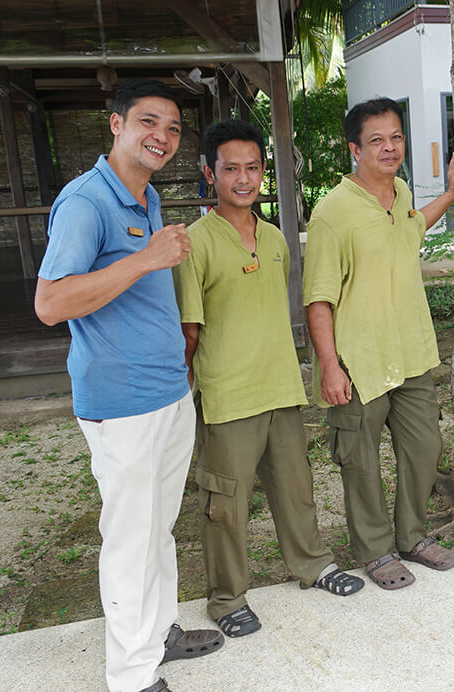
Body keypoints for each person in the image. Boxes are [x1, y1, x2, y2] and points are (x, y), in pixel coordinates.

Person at [34, 79, 222, 692]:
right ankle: (134, 677)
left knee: (156, 528)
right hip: (122, 403)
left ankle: (158, 632)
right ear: (115, 125)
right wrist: (145, 259)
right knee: (128, 539)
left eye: (171, 128)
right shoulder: (86, 202)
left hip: (167, 391)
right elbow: (51, 302)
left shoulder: (145, 199)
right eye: (148, 122)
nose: (161, 137)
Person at [172, 119, 364, 638]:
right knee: (225, 505)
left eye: (253, 168)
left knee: (295, 487)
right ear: (209, 173)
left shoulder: (276, 238)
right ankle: (227, 598)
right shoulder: (194, 243)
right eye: (230, 168)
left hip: (280, 387)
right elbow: (189, 333)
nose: (243, 178)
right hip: (228, 396)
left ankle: (312, 565)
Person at [303, 98, 454, 590]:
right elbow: (317, 299)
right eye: (376, 140)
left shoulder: (399, 191)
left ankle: (412, 537)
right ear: (355, 148)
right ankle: (375, 551)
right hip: (359, 360)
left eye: (396, 137)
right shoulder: (333, 211)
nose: (389, 147)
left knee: (425, 447)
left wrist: (452, 195)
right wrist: (329, 366)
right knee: (361, 461)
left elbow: (411, 231)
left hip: (411, 353)